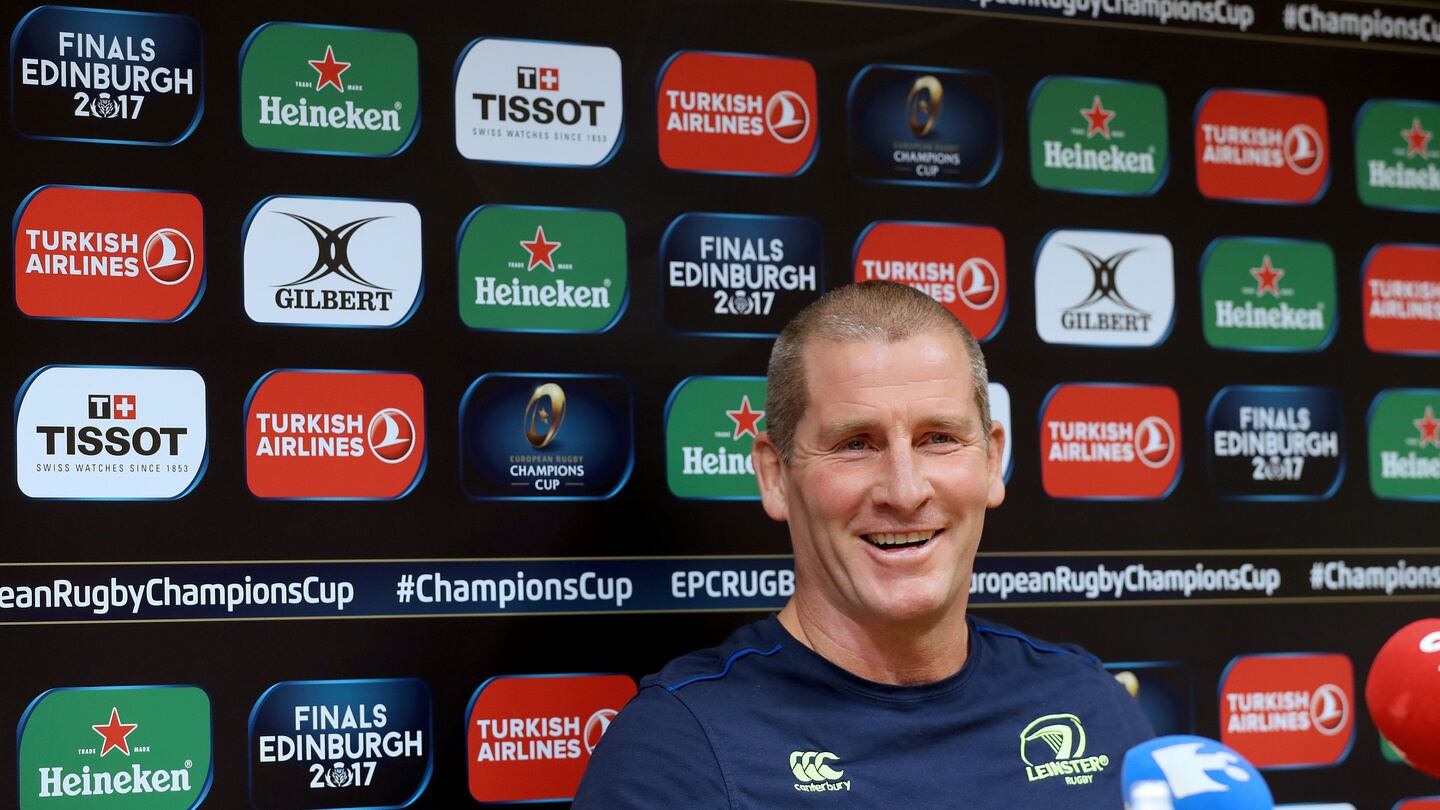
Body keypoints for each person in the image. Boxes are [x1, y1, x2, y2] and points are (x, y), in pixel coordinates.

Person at [574, 281, 1153, 807]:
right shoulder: (677, 753)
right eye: (856, 443)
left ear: (992, 460)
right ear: (776, 475)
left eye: (939, 438)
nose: (904, 491)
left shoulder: (1090, 707)